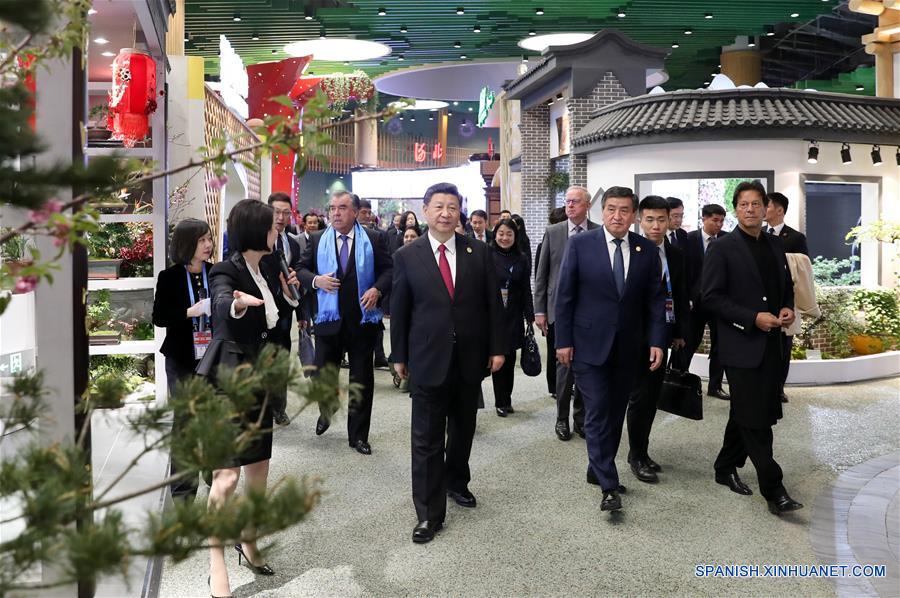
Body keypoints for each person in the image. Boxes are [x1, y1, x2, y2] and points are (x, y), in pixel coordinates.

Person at [391, 182, 504, 544]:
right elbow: (400, 310)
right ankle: (428, 513)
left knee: (463, 428)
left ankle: (457, 481)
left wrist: (498, 348)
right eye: (438, 206)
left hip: (469, 358)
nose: (445, 213)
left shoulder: (479, 252)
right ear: (424, 211)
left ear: (459, 212)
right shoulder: (408, 256)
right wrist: (399, 356)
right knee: (425, 439)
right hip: (427, 358)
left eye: (452, 207)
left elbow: (492, 306)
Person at [200, 198, 300, 598]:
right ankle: (215, 560)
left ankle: (249, 539)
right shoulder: (226, 270)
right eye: (273, 225)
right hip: (228, 380)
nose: (279, 228)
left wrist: (296, 288)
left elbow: (287, 305)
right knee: (226, 476)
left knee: (258, 467)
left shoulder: (271, 266)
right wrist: (239, 303)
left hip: (262, 377)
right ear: (257, 231)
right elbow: (223, 303)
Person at [555, 186, 665, 512]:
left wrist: (657, 340)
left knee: (616, 412)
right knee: (598, 408)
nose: (617, 216)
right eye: (611, 209)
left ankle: (597, 467)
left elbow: (654, 301)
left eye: (624, 211)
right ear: (602, 212)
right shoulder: (579, 245)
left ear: (634, 215)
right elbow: (565, 296)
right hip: (588, 345)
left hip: (629, 347)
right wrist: (563, 341)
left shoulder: (646, 250)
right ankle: (608, 485)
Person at [703, 180, 803, 516]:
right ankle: (774, 489)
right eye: (743, 204)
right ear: (736, 209)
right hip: (740, 344)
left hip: (771, 343)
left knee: (746, 410)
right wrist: (751, 318)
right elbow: (712, 298)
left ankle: (724, 466)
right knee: (756, 419)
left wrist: (787, 307)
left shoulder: (775, 245)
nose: (750, 209)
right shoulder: (722, 247)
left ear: (766, 208)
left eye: (756, 204)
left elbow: (785, 287)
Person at [297, 191, 393, 455]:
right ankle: (327, 410)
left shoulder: (374, 238)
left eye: (342, 208)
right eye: (332, 208)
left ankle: (358, 435)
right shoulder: (317, 240)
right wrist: (317, 281)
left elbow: (389, 270)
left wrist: (377, 290)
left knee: (361, 380)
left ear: (355, 212)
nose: (335, 213)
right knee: (323, 376)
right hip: (329, 321)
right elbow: (301, 270)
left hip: (363, 321)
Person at [625, 196, 690, 484]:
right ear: (640, 220)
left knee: (651, 397)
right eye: (649, 219)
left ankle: (642, 450)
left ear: (670, 220)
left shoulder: (676, 253)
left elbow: (681, 294)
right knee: (638, 397)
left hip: (663, 334)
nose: (655, 225)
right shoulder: (632, 251)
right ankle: (635, 455)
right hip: (634, 336)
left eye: (661, 219)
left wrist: (678, 332)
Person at [152, 218, 214, 502]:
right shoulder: (170, 277)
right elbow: (160, 317)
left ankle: (213, 472)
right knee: (186, 422)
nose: (208, 245)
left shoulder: (217, 273)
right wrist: (191, 312)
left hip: (213, 358)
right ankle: (183, 491)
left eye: (209, 239)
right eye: (202, 240)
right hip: (181, 358)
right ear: (187, 243)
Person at [533, 186, 598, 441]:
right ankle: (561, 418)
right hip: (559, 311)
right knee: (564, 368)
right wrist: (540, 310)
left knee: (585, 367)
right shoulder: (553, 232)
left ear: (587, 205)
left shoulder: (596, 232)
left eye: (575, 202)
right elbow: (542, 275)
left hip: (589, 313)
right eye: (567, 201)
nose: (570, 206)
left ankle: (580, 418)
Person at [262, 192, 303, 426]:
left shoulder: (293, 242)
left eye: (286, 213)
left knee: (281, 358)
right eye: (276, 211)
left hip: (285, 311)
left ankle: (279, 408)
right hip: (261, 310)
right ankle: (262, 408)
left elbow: (297, 280)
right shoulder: (258, 241)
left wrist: (302, 314)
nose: (280, 217)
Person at [765, 191, 809, 404]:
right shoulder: (759, 234)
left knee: (784, 346)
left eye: (767, 205)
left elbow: (803, 268)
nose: (763, 209)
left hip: (785, 300)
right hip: (762, 301)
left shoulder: (796, 237)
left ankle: (779, 388)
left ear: (780, 210)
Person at [489, 218, 534, 417]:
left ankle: (507, 399)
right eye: (501, 233)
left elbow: (525, 289)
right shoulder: (486, 255)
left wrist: (530, 315)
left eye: (509, 234)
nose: (504, 237)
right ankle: (500, 400)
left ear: (515, 237)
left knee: (510, 357)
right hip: (492, 314)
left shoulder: (521, 257)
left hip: (513, 314)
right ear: (495, 234)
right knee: (498, 356)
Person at [683, 203, 729, 400]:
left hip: (719, 302)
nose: (718, 225)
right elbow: (683, 272)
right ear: (704, 219)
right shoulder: (689, 239)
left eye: (721, 221)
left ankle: (715, 386)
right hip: (695, 303)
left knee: (721, 345)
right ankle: (679, 381)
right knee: (689, 342)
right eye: (714, 220)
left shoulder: (727, 240)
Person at [533, 206, 567, 398]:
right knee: (554, 347)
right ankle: (554, 387)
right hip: (552, 305)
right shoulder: (546, 241)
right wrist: (541, 310)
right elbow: (540, 276)